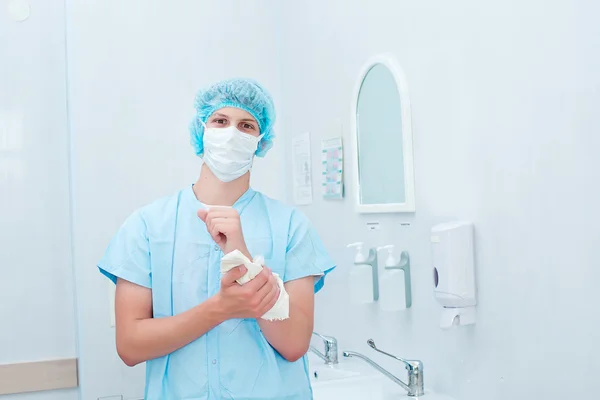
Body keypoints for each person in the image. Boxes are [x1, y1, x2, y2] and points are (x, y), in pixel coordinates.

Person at [98, 78, 336, 400]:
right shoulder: (147, 226)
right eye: (220, 121)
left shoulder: (291, 227)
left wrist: (246, 264)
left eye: (247, 125)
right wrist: (221, 308)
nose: (232, 133)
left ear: (261, 140)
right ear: (202, 129)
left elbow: (294, 345)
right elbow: (130, 346)